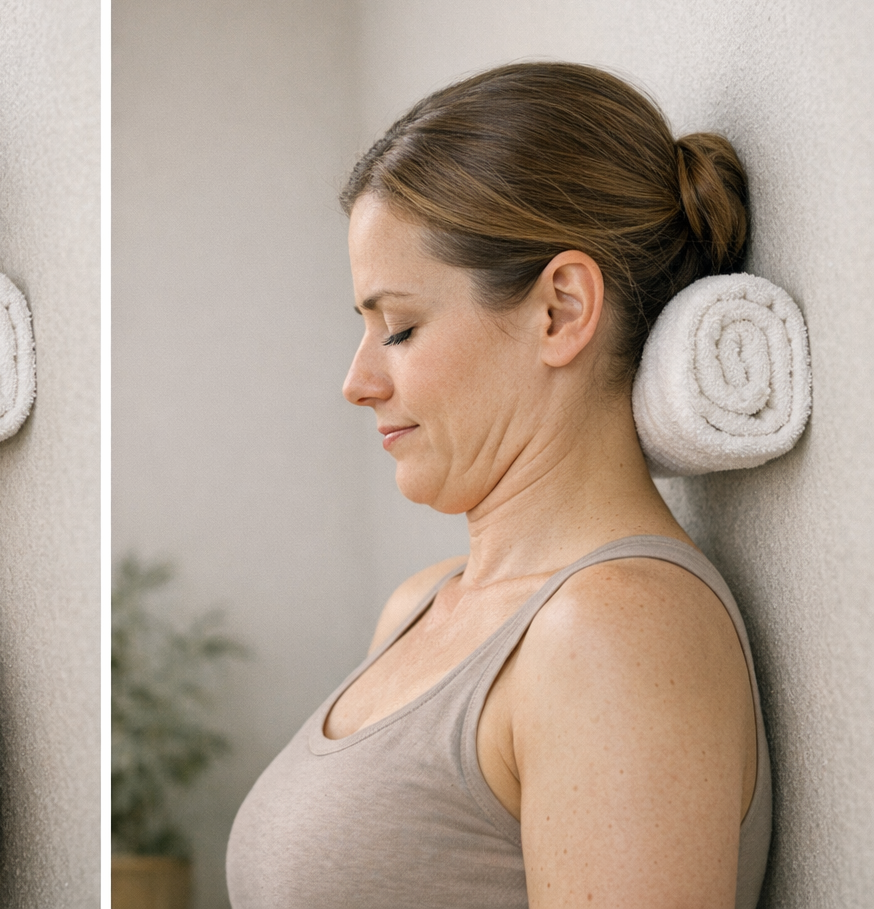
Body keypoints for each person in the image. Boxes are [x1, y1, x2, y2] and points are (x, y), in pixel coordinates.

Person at [225, 63, 771, 909]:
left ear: (561, 310)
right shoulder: (418, 605)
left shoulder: (616, 633)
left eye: (399, 328)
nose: (357, 382)